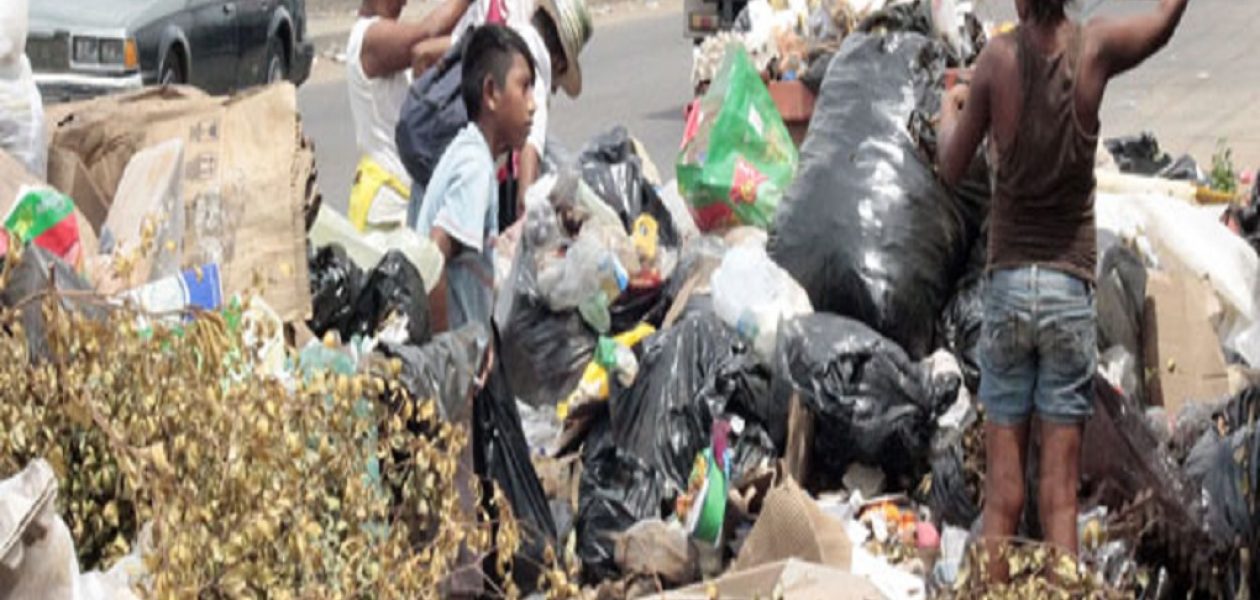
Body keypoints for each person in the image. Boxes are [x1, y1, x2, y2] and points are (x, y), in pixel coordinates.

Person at [936, 0, 1190, 577]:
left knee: (1003, 494)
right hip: (1068, 290)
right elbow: (1160, 27)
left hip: (1006, 291)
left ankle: (992, 590)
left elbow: (950, 165)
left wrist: (949, 109)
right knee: (1059, 498)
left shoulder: (997, 61)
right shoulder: (1093, 49)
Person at [413, 24, 536, 333]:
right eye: (524, 87)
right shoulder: (475, 168)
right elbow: (433, 255)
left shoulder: (472, 152)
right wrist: (449, 353)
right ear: (491, 93)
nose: (533, 105)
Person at [449, 0, 592, 220]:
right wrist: (527, 220)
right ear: (558, 61)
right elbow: (530, 152)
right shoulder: (532, 64)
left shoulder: (505, 43)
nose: (554, 90)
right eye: (559, 77)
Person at [345, 0, 472, 232]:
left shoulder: (384, 32)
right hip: (387, 203)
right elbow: (425, 36)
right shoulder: (368, 36)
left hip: (401, 197)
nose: (404, 3)